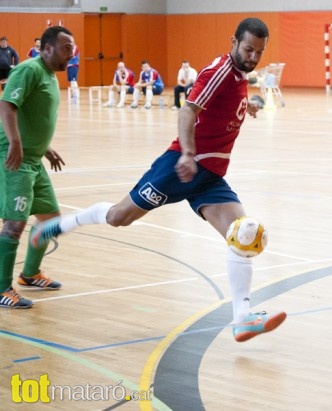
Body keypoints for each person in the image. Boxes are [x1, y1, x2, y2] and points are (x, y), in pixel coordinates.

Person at [31, 18, 287, 342]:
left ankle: (243, 318)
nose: (253, 57)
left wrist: (244, 104)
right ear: (233, 41)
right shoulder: (220, 70)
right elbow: (187, 111)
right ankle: (56, 226)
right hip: (180, 168)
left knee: (243, 235)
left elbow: (218, 106)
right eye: (248, 49)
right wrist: (187, 154)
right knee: (117, 217)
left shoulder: (238, 75)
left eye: (259, 52)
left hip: (209, 177)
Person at [0, 26, 75, 308]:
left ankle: (29, 275)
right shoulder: (29, 70)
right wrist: (16, 144)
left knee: (49, 218)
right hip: (14, 155)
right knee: (14, 223)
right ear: (46, 48)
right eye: (66, 47)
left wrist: (46, 148)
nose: (71, 53)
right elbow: (6, 105)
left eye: (72, 48)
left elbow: (34, 118)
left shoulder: (50, 75)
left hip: (34, 157)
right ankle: (1, 288)